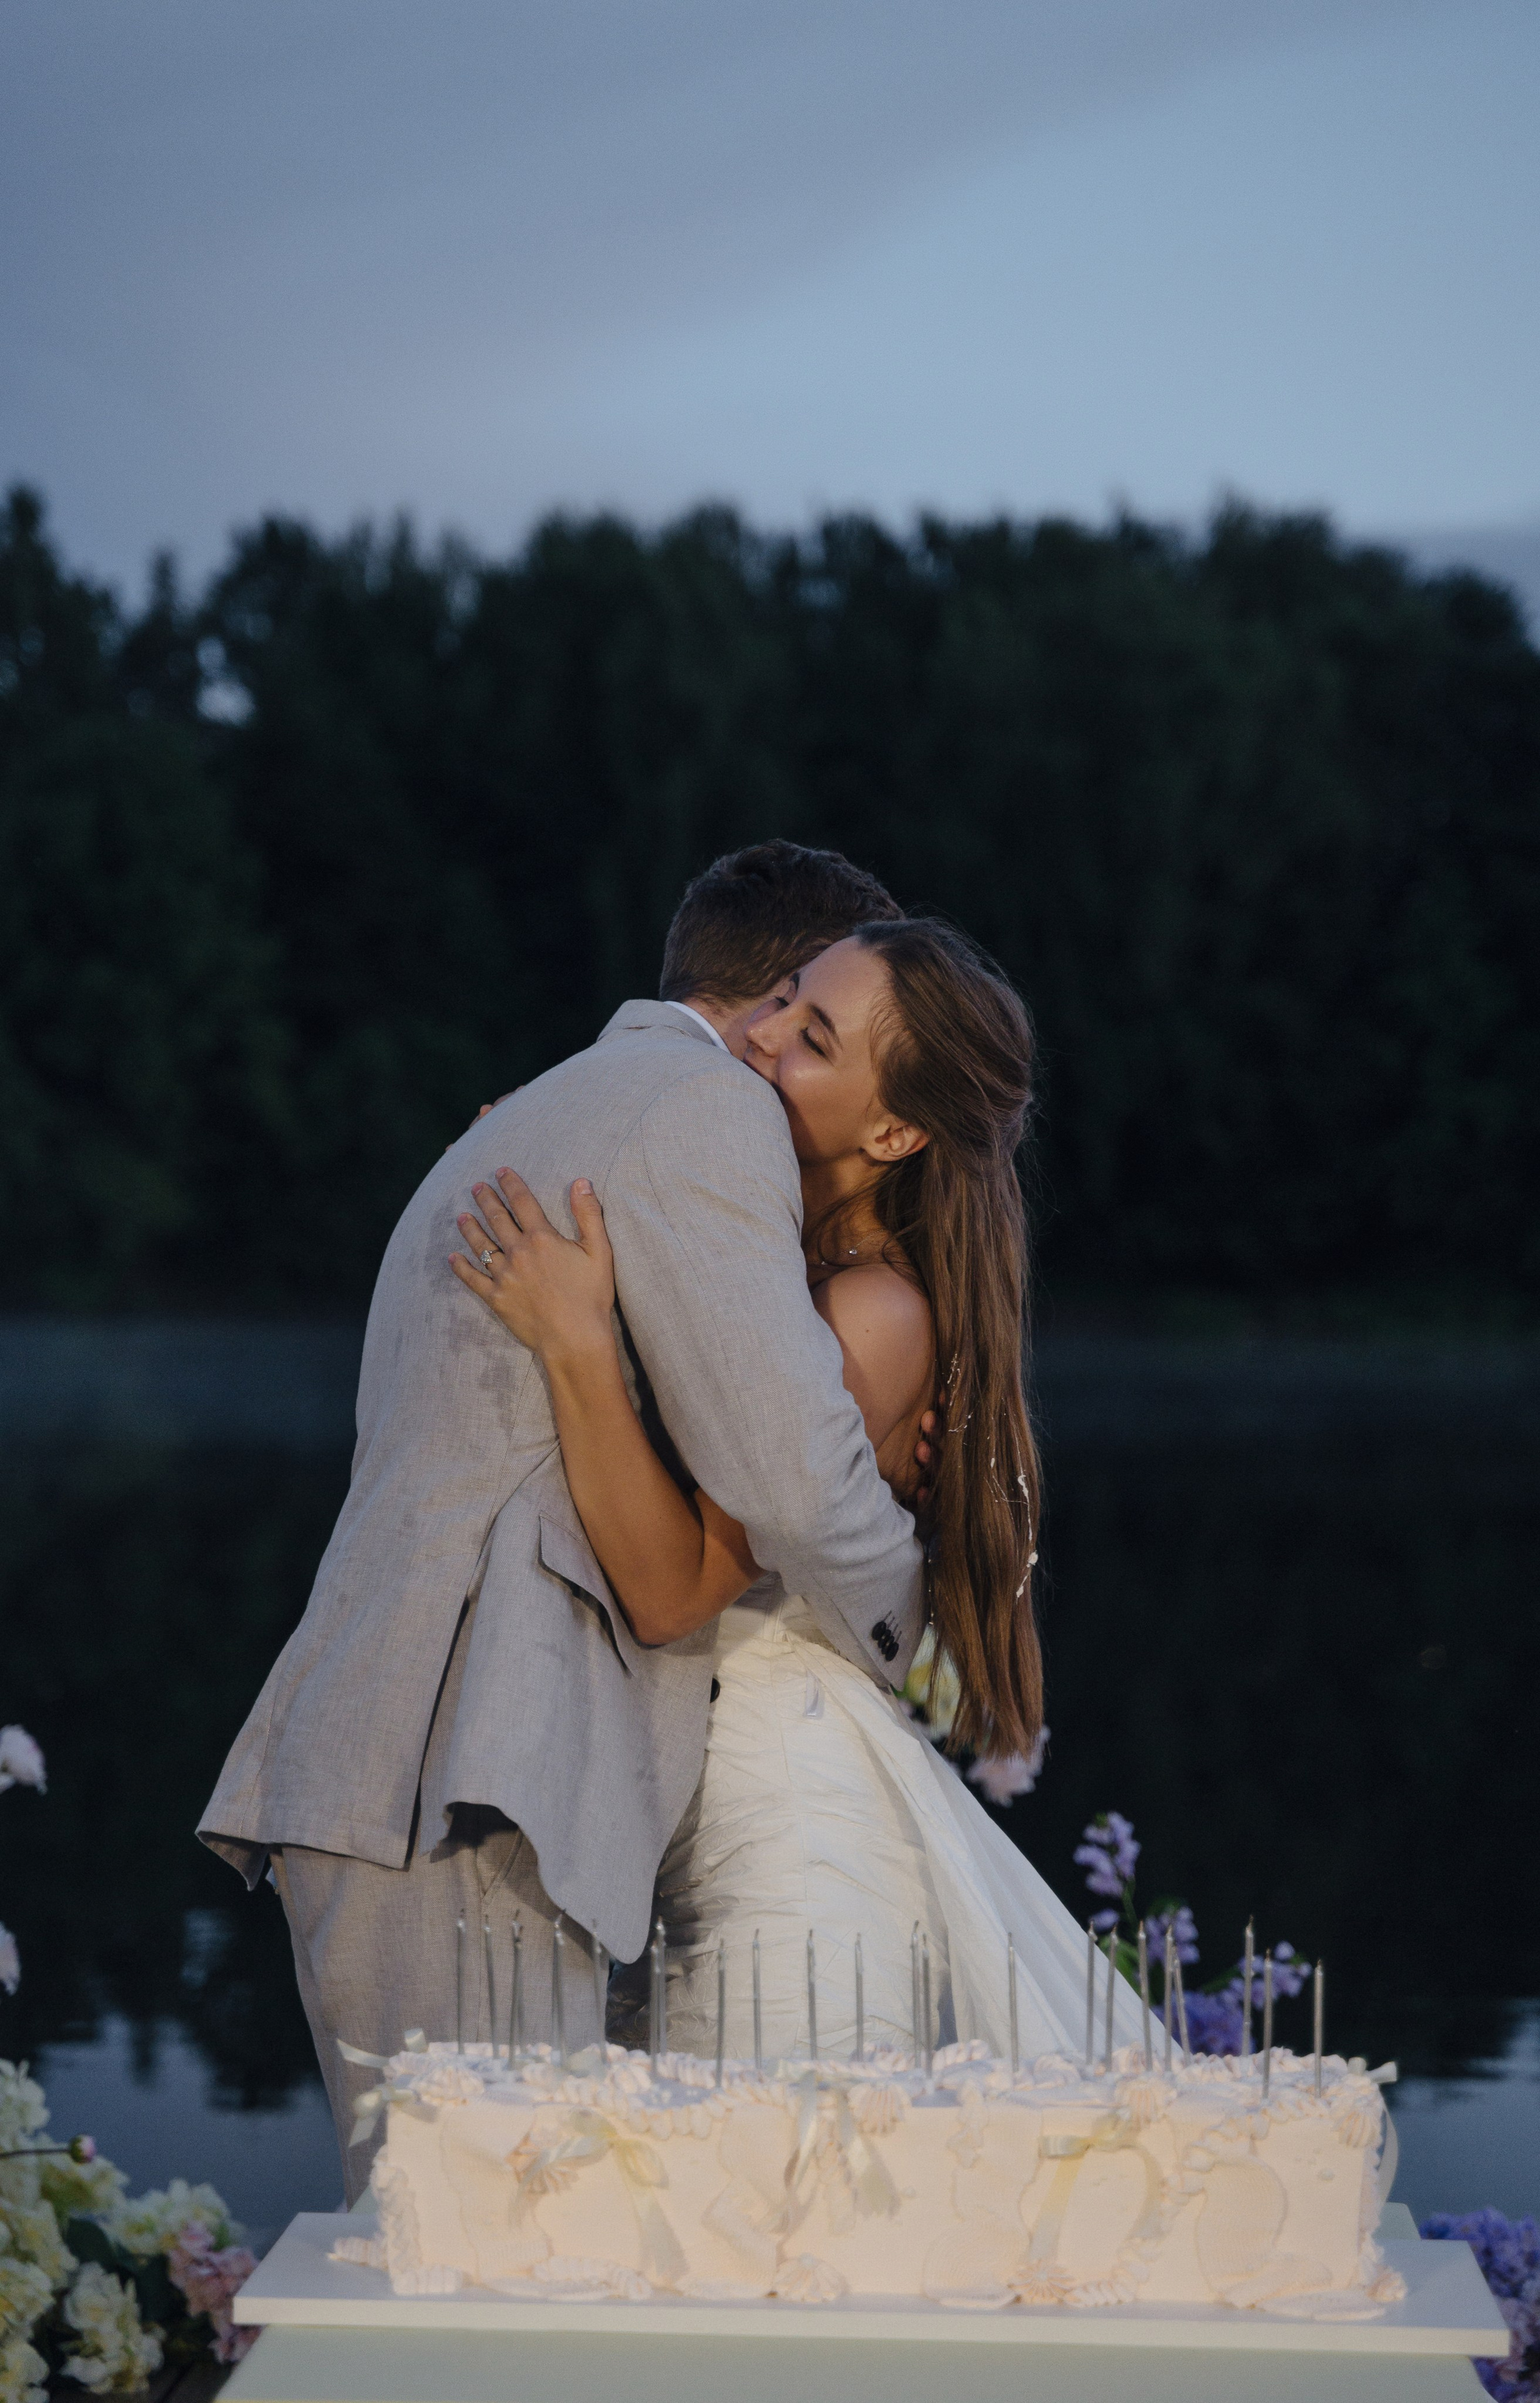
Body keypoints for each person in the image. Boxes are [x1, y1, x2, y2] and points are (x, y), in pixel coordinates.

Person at [198, 842, 942, 2201]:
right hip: (461, 1768)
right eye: (801, 1006)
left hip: (436, 1764)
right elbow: (786, 1481)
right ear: (772, 986)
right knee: (494, 2262)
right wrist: (919, 1601)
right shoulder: (701, 1111)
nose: (784, 1041)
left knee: (487, 2257)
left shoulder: (566, 1107)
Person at [451, 917, 1134, 2064]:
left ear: (896, 1128)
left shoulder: (870, 1316)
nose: (760, 1037)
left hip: (783, 1849)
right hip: (689, 1820)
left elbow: (672, 1593)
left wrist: (574, 1339)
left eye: (813, 1037)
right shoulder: (771, 1271)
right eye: (781, 996)